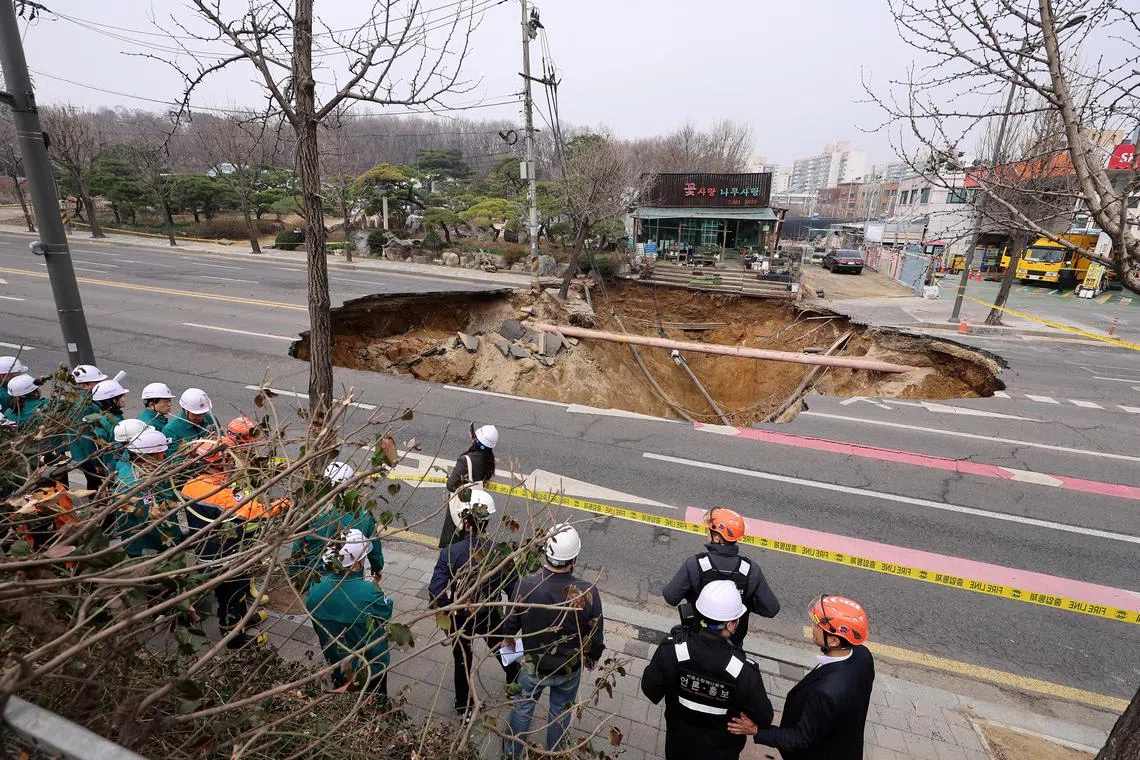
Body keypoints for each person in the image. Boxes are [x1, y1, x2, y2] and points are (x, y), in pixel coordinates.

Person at [728, 595, 875, 760]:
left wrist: (757, 731)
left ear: (834, 641)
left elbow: (801, 739)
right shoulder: (863, 655)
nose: (812, 627)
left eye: (818, 626)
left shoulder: (825, 692)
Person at [503, 523, 604, 757]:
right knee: (560, 712)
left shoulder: (527, 585)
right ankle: (555, 753)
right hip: (567, 668)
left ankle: (512, 752)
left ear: (545, 553)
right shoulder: (587, 592)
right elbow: (595, 634)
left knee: (523, 707)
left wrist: (508, 640)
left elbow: (511, 622)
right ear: (574, 558)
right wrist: (592, 657)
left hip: (533, 665)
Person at [642, 580, 773, 760]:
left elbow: (651, 690)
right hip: (721, 752)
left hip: (678, 746)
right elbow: (764, 717)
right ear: (730, 625)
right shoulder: (743, 672)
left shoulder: (673, 651)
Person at [182, 438, 286, 649]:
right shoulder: (219, 492)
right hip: (225, 555)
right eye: (228, 459)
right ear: (218, 462)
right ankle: (234, 638)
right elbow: (254, 511)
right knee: (232, 596)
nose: (232, 462)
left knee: (233, 593)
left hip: (211, 550)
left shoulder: (193, 485)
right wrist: (283, 504)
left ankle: (242, 620)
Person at [428, 489, 519, 717]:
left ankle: (464, 705)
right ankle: (514, 685)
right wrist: (510, 625)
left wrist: (448, 615)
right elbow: (515, 592)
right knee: (501, 648)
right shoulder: (500, 552)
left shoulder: (451, 553)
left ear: (465, 521)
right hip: (490, 613)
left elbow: (436, 590)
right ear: (486, 522)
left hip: (460, 617)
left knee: (462, 661)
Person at [663, 507, 779, 646]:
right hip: (731, 644)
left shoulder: (694, 564)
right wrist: (744, 602)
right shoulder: (751, 570)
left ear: (717, 537)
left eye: (709, 531)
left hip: (696, 639)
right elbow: (771, 609)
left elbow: (671, 597)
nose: (707, 533)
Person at [305, 528, 394, 698]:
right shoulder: (370, 592)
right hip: (371, 665)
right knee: (375, 704)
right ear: (356, 564)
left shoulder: (316, 588)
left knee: (344, 698)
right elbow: (385, 613)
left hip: (337, 662)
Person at [289, 461, 384, 586]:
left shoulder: (311, 514)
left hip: (316, 579)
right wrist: (377, 568)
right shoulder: (363, 517)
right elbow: (374, 549)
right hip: (351, 578)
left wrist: (294, 574)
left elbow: (298, 549)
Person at [111, 427, 182, 558]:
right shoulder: (139, 484)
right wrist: (174, 541)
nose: (164, 457)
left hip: (139, 544)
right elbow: (153, 522)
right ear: (155, 455)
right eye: (162, 453)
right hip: (148, 549)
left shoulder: (129, 468)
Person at [439, 423, 499, 548]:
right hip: (476, 503)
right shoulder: (488, 459)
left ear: (478, 442)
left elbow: (451, 485)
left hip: (463, 504)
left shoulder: (466, 460)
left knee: (453, 544)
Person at [69, 364, 109, 491]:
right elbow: (87, 437)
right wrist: (97, 461)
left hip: (82, 453)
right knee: (96, 485)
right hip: (88, 455)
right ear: (84, 386)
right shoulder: (84, 406)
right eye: (97, 383)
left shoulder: (76, 400)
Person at [163, 388, 221, 472]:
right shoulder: (171, 430)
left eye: (203, 413)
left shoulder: (210, 419)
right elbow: (174, 462)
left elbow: (222, 439)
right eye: (196, 414)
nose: (201, 417)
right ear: (184, 410)